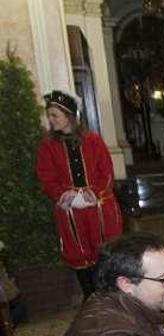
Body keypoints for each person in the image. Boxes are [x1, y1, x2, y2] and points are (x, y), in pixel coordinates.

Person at [36, 90, 123, 300]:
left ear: (69, 116)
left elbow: (107, 172)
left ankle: (111, 298)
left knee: (105, 253)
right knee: (79, 254)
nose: (51, 120)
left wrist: (95, 192)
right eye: (49, 116)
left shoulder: (93, 141)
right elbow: (46, 177)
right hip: (70, 213)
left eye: (54, 115)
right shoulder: (47, 146)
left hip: (99, 209)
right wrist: (62, 194)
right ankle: (90, 299)